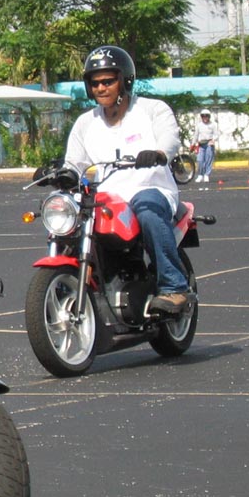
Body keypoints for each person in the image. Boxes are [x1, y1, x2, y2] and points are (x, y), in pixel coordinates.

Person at [64, 45, 191, 313]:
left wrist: (159, 153)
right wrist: (63, 173)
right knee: (66, 220)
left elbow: (170, 138)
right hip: (107, 198)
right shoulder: (86, 123)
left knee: (147, 210)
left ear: (125, 80)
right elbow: (74, 162)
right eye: (95, 83)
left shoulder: (152, 110)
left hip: (150, 187)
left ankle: (174, 286)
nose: (101, 88)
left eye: (108, 81)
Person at [194, 109, 218, 182]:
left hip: (209, 144)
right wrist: (193, 143)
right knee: (200, 160)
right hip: (201, 144)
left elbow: (216, 134)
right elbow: (196, 135)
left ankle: (206, 175)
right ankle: (200, 175)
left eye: (206, 116)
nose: (205, 117)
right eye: (203, 116)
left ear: (209, 116)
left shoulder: (213, 125)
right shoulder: (199, 125)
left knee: (208, 160)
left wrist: (213, 140)